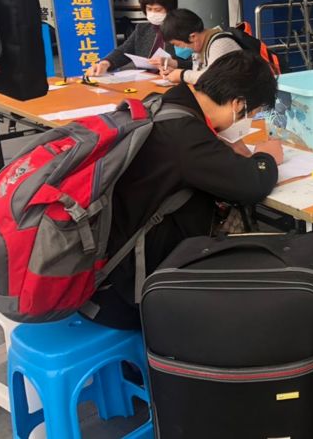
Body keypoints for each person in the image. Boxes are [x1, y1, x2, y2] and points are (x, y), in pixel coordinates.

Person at [90, 51, 284, 329]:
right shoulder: (186, 135)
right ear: (238, 103)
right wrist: (265, 157)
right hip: (135, 293)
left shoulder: (162, 103)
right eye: (249, 114)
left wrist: (219, 149)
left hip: (103, 269)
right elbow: (253, 184)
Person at [87, 0, 189, 76]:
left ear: (170, 8)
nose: (153, 13)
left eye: (157, 10)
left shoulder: (183, 30)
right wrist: (105, 63)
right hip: (144, 79)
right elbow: (123, 51)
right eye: (149, 9)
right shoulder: (142, 28)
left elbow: (193, 63)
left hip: (173, 79)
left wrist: (174, 64)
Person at [160, 9, 243, 84]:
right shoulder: (199, 47)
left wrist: (181, 75)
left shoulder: (220, 43)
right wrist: (174, 73)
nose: (178, 48)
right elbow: (198, 73)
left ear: (193, 37)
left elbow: (210, 77)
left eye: (177, 44)